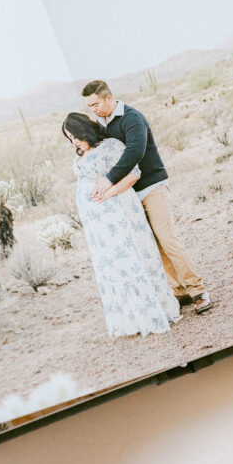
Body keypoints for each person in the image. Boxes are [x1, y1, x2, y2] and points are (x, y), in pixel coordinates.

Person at [82, 80, 213, 314]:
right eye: (89, 106)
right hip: (128, 192)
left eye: (95, 104)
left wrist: (109, 179)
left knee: (167, 238)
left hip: (152, 185)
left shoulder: (132, 118)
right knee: (153, 244)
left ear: (109, 98)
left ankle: (198, 291)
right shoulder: (101, 124)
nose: (93, 109)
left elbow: (135, 150)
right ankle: (179, 292)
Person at [62, 113, 181, 338]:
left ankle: (154, 311)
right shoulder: (80, 156)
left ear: (84, 129)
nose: (74, 142)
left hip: (120, 210)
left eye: (75, 136)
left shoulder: (110, 146)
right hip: (98, 224)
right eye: (69, 138)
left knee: (135, 258)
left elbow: (133, 174)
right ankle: (132, 316)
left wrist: (110, 193)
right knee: (113, 265)